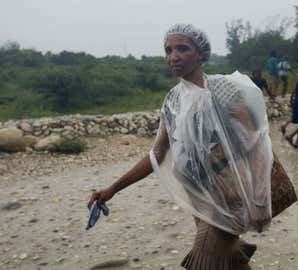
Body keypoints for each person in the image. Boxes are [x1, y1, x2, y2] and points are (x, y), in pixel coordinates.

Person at [87, 24, 274, 270]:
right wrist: (113, 188)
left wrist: (260, 198)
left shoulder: (222, 89)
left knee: (203, 261)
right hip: (198, 197)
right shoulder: (173, 100)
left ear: (200, 54)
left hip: (231, 194)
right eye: (168, 50)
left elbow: (257, 141)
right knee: (228, 260)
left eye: (182, 48)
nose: (173, 56)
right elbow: (156, 154)